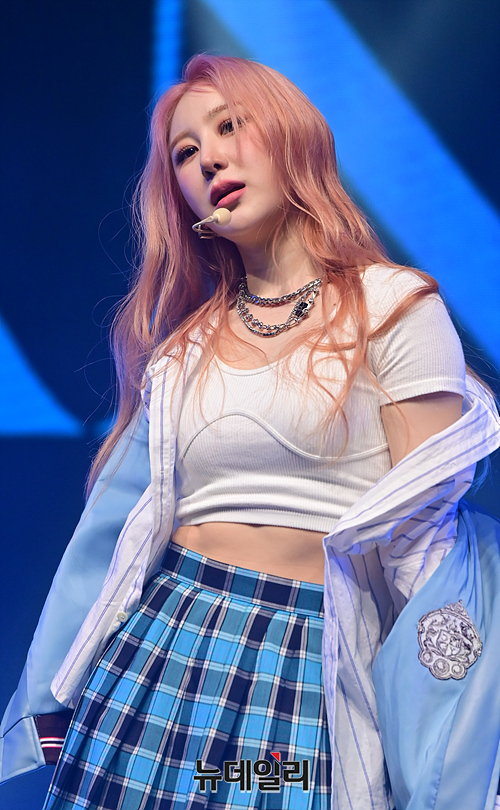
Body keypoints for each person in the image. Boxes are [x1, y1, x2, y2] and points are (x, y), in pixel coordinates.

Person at [1, 54, 500, 810]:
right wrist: (51, 688)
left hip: (300, 669)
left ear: (291, 134)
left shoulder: (394, 307)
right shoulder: (183, 350)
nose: (209, 159)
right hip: (155, 652)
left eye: (229, 126)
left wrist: (448, 752)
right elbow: (112, 534)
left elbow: (425, 547)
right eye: (186, 152)